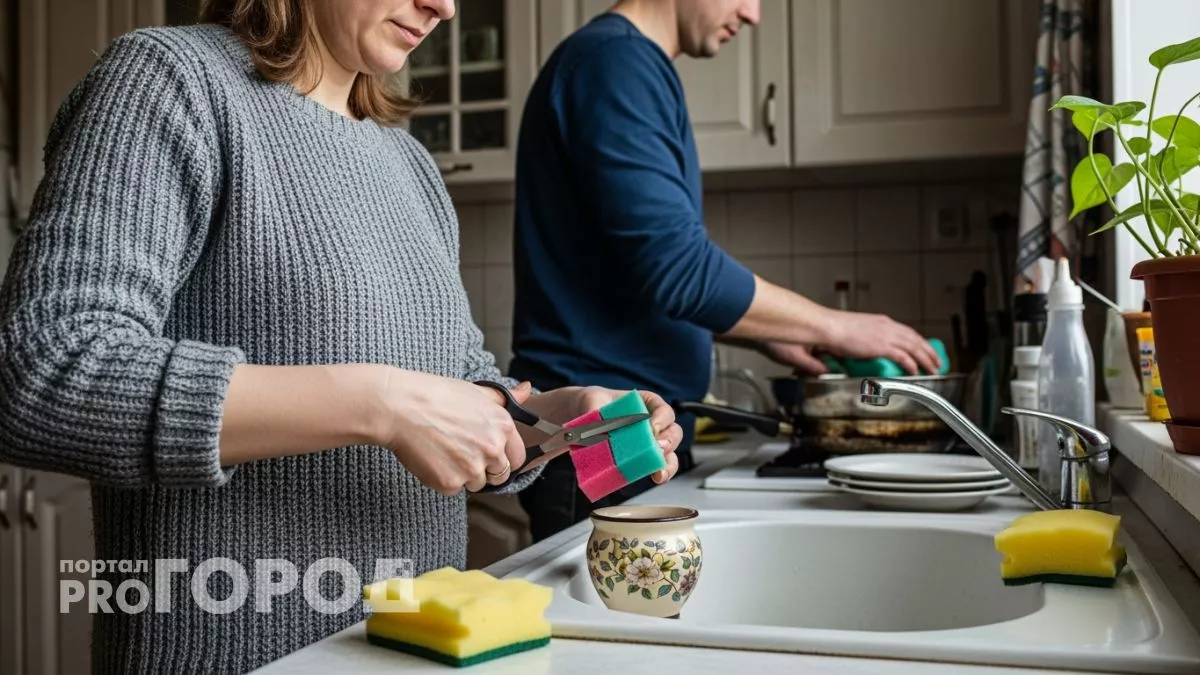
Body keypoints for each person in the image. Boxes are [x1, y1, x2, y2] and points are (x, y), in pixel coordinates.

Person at [0, 1, 683, 672]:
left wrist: (559, 418)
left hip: (414, 657)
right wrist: (380, 404)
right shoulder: (172, 81)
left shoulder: (410, 163)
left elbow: (455, 391)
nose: (444, 8)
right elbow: (41, 367)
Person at [509, 0, 942, 542]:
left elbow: (636, 274)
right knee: (614, 597)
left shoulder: (624, 63)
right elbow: (678, 269)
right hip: (601, 433)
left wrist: (767, 335)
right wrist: (838, 326)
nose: (753, 14)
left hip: (636, 431)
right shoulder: (614, 64)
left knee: (639, 596)